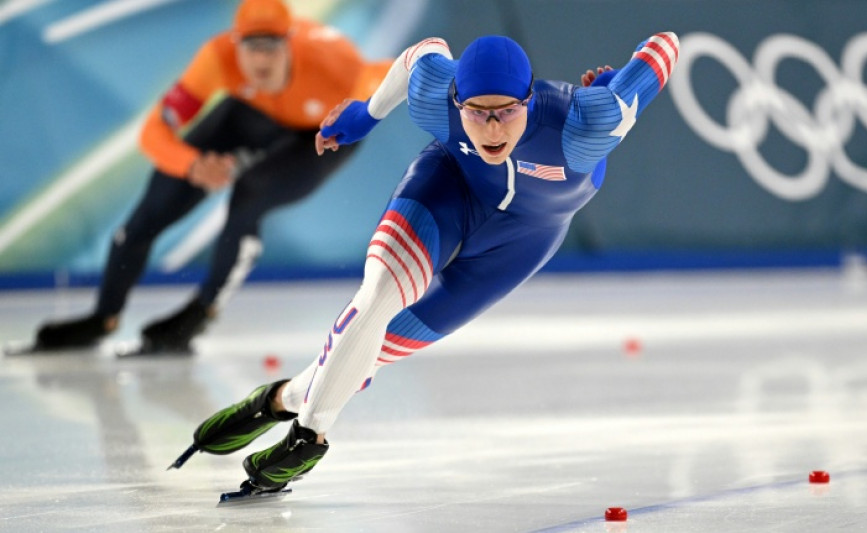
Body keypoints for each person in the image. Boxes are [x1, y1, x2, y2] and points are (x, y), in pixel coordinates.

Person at [176, 31, 680, 494]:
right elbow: (419, 54)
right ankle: (310, 437)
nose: (490, 127)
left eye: (505, 111)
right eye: (475, 112)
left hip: (523, 238)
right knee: (376, 297)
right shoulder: (434, 94)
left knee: (375, 352)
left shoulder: (588, 122)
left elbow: (666, 44)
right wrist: (366, 115)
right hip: (447, 190)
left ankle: (278, 400)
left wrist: (619, 84)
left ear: (529, 101)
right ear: (454, 100)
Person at [30, 0, 392, 354]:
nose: (261, 60)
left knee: (251, 194)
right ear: (235, 46)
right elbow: (153, 132)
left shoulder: (337, 65)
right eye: (251, 48)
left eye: (271, 48)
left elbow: (399, 73)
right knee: (154, 205)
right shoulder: (217, 59)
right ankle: (103, 316)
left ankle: (202, 311)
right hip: (252, 113)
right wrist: (192, 164)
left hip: (322, 133)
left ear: (291, 44)